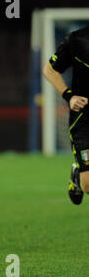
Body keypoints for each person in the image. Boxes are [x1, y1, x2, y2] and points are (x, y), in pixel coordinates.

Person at [43, 26, 89, 205]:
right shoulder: (77, 40)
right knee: (87, 186)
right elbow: (49, 70)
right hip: (84, 118)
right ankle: (78, 172)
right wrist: (69, 96)